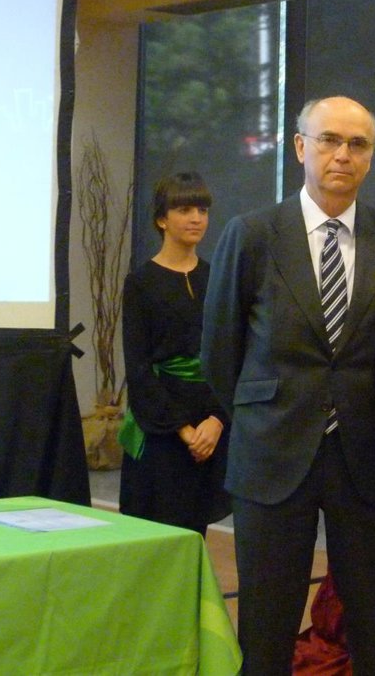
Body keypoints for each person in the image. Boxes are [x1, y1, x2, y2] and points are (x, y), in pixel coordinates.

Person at [201, 96, 375, 676]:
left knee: (373, 623)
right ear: (300, 147)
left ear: (371, 157)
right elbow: (218, 352)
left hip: (365, 456)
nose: (343, 155)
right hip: (272, 455)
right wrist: (267, 413)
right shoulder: (253, 235)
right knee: (266, 627)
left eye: (357, 144)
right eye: (329, 140)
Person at [118, 171, 230, 536]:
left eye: (202, 210)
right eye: (184, 210)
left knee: (195, 533)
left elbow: (231, 355)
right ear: (162, 219)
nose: (197, 218)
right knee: (156, 537)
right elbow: (138, 368)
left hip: (209, 421)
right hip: (161, 426)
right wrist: (183, 430)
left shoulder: (217, 277)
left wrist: (216, 420)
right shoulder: (140, 283)